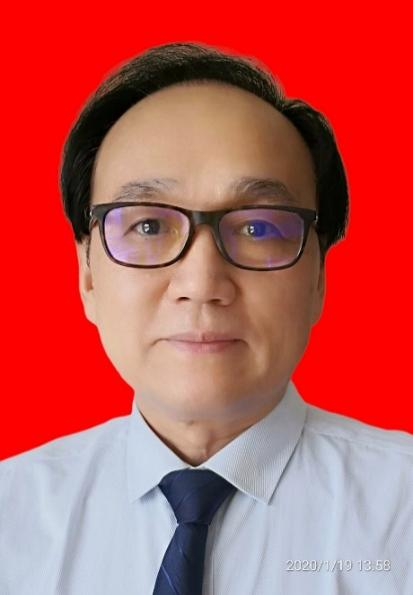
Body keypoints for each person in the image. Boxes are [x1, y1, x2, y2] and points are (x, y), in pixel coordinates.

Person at [0, 41, 412, 595]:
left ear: (318, 277)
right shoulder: (12, 519)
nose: (201, 284)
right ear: (88, 276)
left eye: (258, 228)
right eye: (148, 226)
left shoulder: (402, 515)